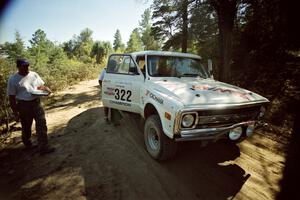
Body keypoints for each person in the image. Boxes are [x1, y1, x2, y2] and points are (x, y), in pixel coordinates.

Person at [7, 59, 55, 154]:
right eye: (24, 66)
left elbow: (40, 86)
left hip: (36, 103)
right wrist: (15, 113)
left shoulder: (33, 74)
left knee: (41, 124)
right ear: (18, 67)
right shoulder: (13, 79)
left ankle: (43, 147)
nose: (27, 68)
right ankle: (28, 144)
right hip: (24, 106)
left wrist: (46, 90)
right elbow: (11, 98)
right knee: (26, 127)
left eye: (28, 65)